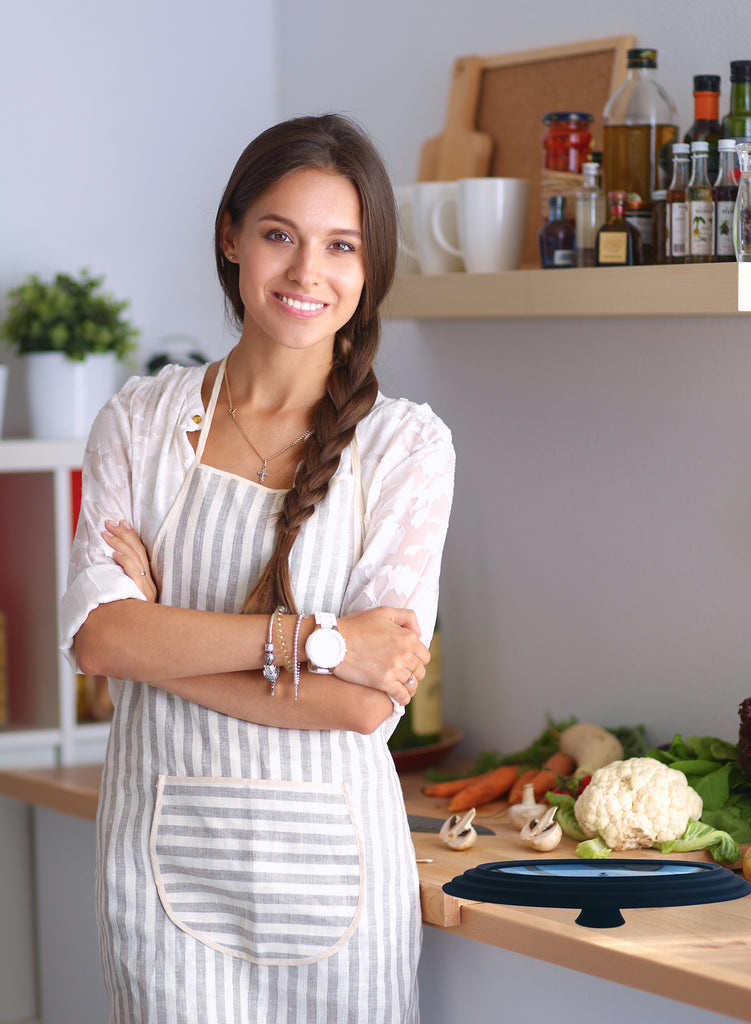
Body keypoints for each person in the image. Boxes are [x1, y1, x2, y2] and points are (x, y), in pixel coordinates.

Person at [59, 114, 455, 1023]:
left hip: (337, 887)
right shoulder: (142, 422)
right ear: (230, 237)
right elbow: (100, 638)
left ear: (370, 266)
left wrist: (163, 646)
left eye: (340, 245)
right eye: (279, 234)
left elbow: (362, 704)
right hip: (161, 882)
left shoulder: (405, 448)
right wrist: (315, 642)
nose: (306, 272)